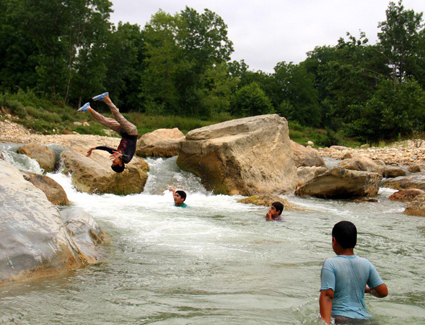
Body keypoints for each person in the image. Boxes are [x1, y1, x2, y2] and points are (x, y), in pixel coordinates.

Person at [320, 221, 388, 324]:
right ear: (356, 242)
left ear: (334, 240)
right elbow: (383, 292)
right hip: (364, 319)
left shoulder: (330, 264)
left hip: (340, 319)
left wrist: (326, 322)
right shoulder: (366, 263)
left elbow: (327, 295)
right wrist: (367, 289)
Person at [78, 92, 138, 173]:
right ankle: (106, 98)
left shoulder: (116, 154)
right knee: (117, 116)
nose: (113, 161)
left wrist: (94, 148)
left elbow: (106, 148)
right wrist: (121, 155)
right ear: (120, 164)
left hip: (123, 132)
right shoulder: (126, 160)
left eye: (112, 162)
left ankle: (88, 108)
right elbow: (127, 157)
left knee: (104, 121)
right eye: (114, 163)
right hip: (131, 132)